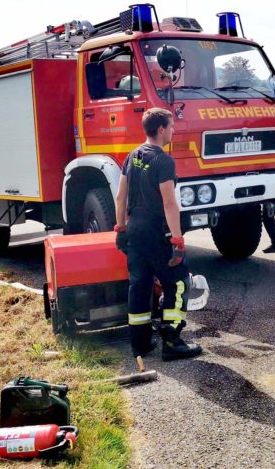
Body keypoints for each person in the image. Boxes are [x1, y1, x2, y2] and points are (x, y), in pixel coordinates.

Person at [114, 108, 202, 361]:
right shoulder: (163, 161)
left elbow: (120, 197)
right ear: (161, 129)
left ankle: (140, 344)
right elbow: (169, 203)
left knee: (139, 284)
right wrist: (178, 240)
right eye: (171, 126)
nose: (173, 130)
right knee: (179, 281)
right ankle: (172, 341)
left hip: (134, 230)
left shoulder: (132, 156)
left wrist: (120, 229)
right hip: (156, 232)